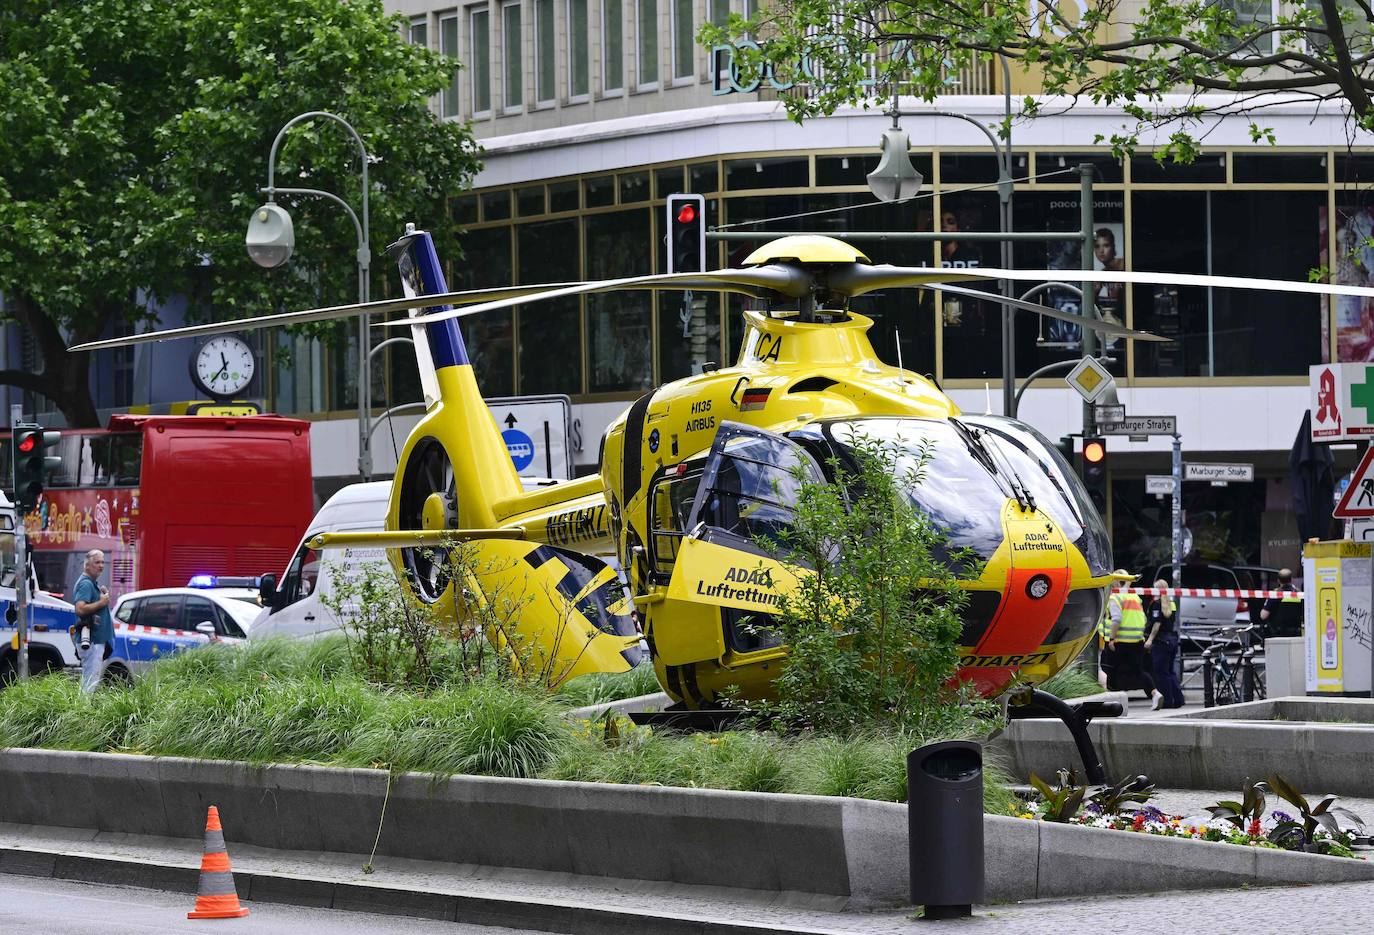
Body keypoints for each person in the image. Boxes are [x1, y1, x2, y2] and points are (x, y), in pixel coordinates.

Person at [1105, 569, 1161, 706]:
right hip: (1137, 640)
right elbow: (1142, 618)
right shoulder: (1134, 597)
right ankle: (1155, 693)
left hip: (1120, 640)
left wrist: (1112, 638)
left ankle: (1109, 701)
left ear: (1116, 582)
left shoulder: (1115, 597)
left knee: (1107, 669)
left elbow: (1116, 619)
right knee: (1138, 671)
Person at [71, 549, 114, 693]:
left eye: (102, 562)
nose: (101, 565)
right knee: (90, 683)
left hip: (94, 641)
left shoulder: (92, 583)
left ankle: (84, 710)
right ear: (87, 566)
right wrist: (101, 603)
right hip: (91, 641)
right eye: (97, 562)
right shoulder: (86, 584)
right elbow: (80, 609)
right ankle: (83, 712)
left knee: (91, 680)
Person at [1143, 579, 1185, 709]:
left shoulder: (1156, 604)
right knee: (1170, 672)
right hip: (1171, 640)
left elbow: (1157, 624)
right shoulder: (1171, 604)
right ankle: (1178, 699)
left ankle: (1167, 701)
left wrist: (1149, 639)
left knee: (1161, 673)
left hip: (1161, 642)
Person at [1260, 568, 1303, 639]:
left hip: (1277, 634)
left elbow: (1263, 616)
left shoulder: (1275, 594)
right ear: (1291, 580)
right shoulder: (1299, 593)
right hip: (1296, 633)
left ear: (1278, 580)